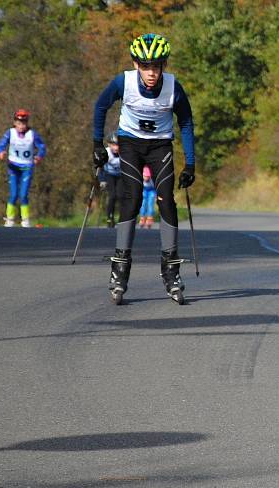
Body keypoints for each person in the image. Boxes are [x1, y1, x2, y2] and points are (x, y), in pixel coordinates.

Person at [92, 33, 196, 304]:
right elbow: (101, 106)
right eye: (146, 66)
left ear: (164, 65)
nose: (151, 72)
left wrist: (191, 163)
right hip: (130, 145)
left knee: (167, 202)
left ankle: (171, 271)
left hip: (160, 146)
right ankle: (119, 271)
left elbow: (185, 122)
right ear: (136, 65)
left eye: (157, 65)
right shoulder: (122, 82)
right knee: (133, 198)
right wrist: (97, 144)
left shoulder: (173, 87)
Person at [0, 109, 46, 227]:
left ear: (27, 123)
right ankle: (10, 218)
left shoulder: (32, 134)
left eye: (24, 123)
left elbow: (42, 147)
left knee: (23, 194)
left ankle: (25, 219)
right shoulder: (10, 133)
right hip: (13, 167)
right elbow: (0, 146)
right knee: (13, 194)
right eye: (19, 123)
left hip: (26, 168)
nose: (21, 126)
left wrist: (38, 157)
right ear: (14, 123)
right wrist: (0, 152)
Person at [99, 133, 122, 228]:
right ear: (109, 144)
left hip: (121, 175)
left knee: (121, 196)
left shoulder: (124, 152)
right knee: (112, 196)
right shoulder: (106, 152)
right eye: (113, 145)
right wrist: (102, 180)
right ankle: (110, 217)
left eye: (118, 145)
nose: (116, 148)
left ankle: (122, 219)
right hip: (109, 175)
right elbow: (100, 167)